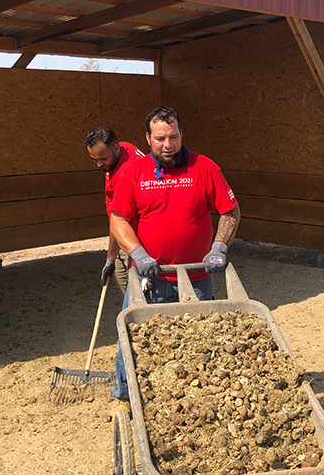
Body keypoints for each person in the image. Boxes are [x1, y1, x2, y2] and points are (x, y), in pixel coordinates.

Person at [109, 106, 241, 402]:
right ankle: (126, 398)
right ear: (148, 139)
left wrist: (220, 246)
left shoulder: (205, 168)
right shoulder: (134, 172)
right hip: (150, 280)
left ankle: (193, 401)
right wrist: (138, 253)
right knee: (131, 342)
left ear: (182, 134)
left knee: (197, 346)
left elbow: (230, 211)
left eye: (173, 137)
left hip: (196, 279)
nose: (167, 145)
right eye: (160, 139)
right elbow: (118, 219)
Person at [85, 125, 145, 295]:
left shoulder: (127, 175)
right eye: (94, 159)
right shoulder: (123, 149)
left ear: (116, 149)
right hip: (123, 230)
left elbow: (118, 220)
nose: (99, 164)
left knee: (135, 292)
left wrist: (110, 259)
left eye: (102, 159)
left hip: (134, 236)